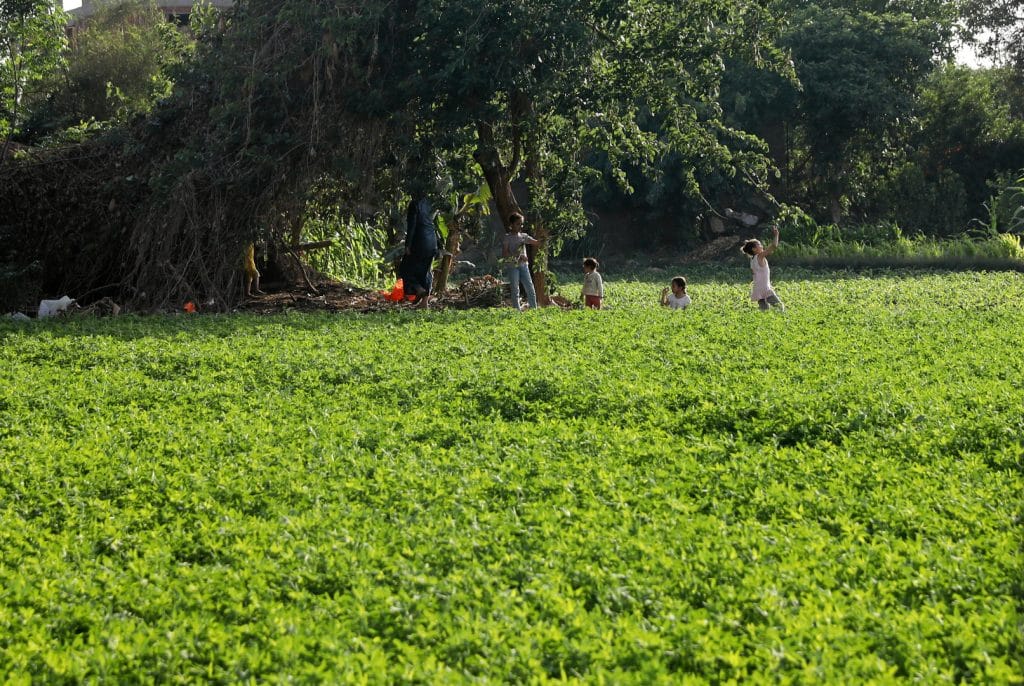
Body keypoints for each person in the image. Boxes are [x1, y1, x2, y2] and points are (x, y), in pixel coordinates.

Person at [399, 196, 439, 308]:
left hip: (419, 240)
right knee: (426, 271)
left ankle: (419, 289)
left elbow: (412, 226)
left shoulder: (415, 204)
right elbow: (434, 224)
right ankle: (424, 303)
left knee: (405, 268)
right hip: (432, 240)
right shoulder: (432, 202)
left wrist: (408, 245)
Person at [741, 225, 785, 311]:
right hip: (765, 288)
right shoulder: (760, 256)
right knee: (779, 306)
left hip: (757, 288)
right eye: (759, 245)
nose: (762, 246)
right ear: (754, 249)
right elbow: (773, 246)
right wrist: (776, 235)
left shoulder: (752, 260)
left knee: (764, 310)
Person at [501, 212, 539, 311]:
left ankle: (534, 309)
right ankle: (516, 311)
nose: (520, 226)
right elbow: (505, 253)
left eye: (521, 224)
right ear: (511, 224)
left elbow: (536, 242)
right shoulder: (507, 237)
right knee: (515, 289)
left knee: (530, 288)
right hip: (512, 267)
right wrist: (518, 255)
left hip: (523, 266)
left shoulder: (523, 236)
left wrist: (545, 238)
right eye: (518, 224)